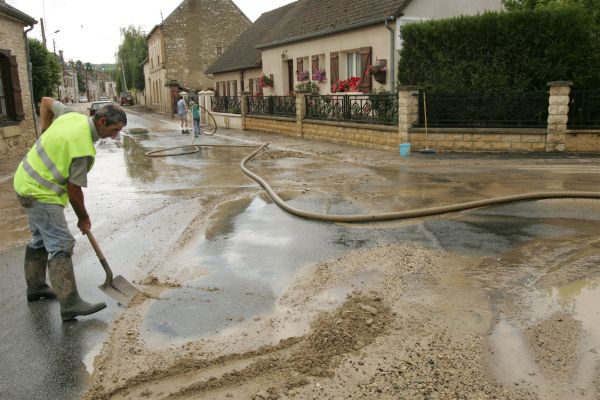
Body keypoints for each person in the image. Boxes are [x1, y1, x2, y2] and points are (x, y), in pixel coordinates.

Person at [13, 97, 127, 321]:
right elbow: (74, 190)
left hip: (23, 181)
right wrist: (83, 219)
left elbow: (45, 102)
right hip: (40, 193)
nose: (115, 135)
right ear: (101, 121)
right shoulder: (82, 148)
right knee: (61, 244)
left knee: (40, 239)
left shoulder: (70, 116)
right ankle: (70, 303)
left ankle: (36, 288)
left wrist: (44, 131)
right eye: (114, 130)